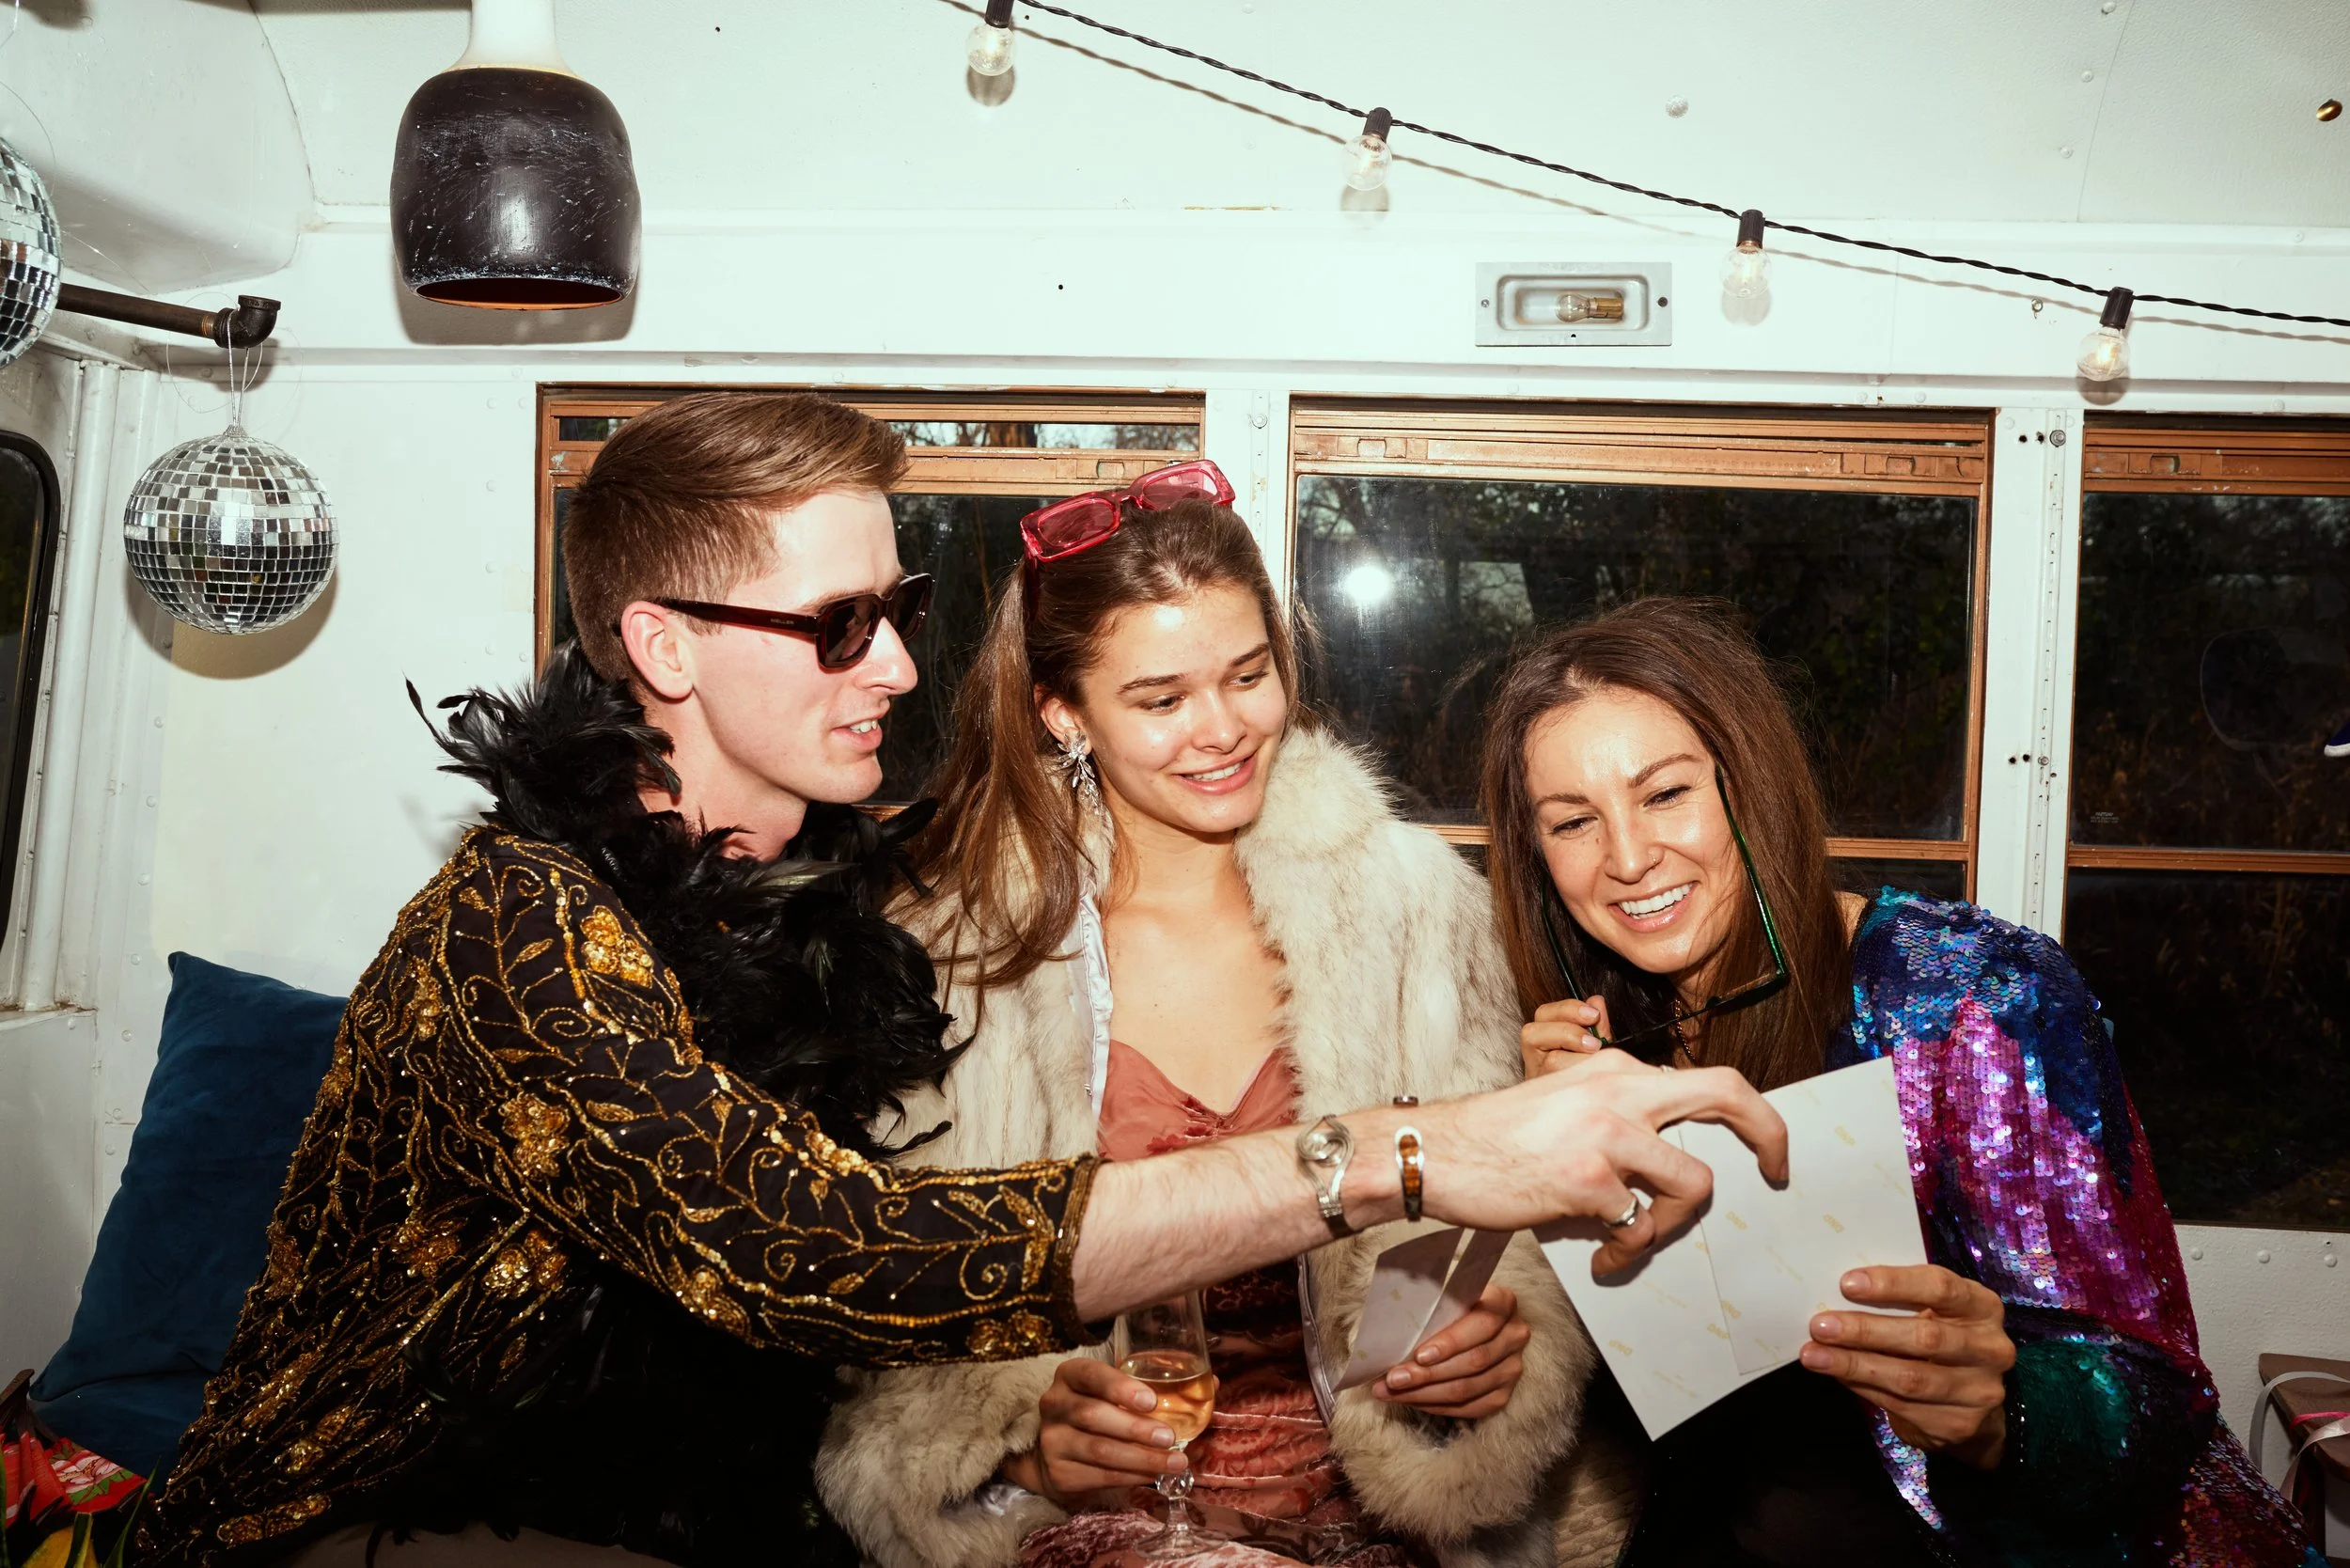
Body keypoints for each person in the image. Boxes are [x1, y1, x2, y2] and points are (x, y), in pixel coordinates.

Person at [137, 400, 1788, 1568]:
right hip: (385, 1510)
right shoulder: (526, 926)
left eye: (906, 610)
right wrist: (1402, 1148)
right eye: (842, 621)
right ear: (663, 650)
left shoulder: (811, 904)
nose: (906, 665)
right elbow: (821, 1253)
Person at [819, 461, 1607, 1568]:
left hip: (1383, 1521)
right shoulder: (950, 956)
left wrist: (1482, 1361)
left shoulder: (1415, 909)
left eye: (1248, 675)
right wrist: (1027, 1460)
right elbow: (883, 1326)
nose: (1224, 728)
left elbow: (1495, 1247)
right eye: (1160, 699)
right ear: (1062, 713)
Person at [1481, 596, 2319, 1568]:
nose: (1626, 859)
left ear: (1749, 783)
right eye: (1573, 821)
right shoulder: (1589, 1043)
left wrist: (2006, 1409)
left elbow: (2157, 1391)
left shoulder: (1972, 995)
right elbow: (1651, 1390)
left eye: (1666, 793)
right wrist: (1546, 1183)